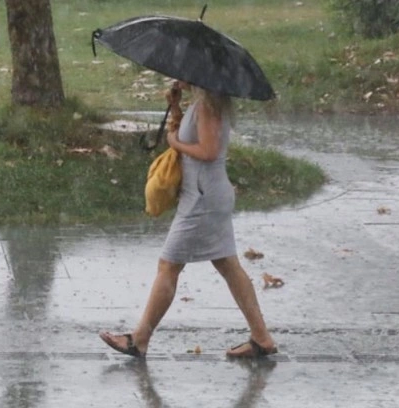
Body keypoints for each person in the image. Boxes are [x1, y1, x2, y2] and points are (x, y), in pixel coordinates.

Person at [100, 81, 277, 358]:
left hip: (203, 199)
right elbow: (196, 136)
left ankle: (139, 339)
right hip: (207, 194)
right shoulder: (205, 103)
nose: (178, 75)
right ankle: (262, 338)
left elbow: (208, 151)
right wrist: (175, 108)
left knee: (168, 265)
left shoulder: (208, 106)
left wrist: (174, 143)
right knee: (228, 264)